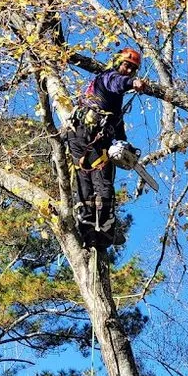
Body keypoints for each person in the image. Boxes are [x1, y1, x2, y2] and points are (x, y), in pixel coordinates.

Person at [66, 47, 150, 249]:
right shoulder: (108, 78)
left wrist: (123, 143)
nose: (129, 71)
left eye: (133, 70)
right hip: (90, 138)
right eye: (127, 66)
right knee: (103, 180)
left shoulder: (109, 95)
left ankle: (87, 224)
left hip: (79, 135)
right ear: (118, 62)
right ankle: (104, 226)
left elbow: (116, 123)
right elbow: (118, 82)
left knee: (85, 180)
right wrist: (132, 83)